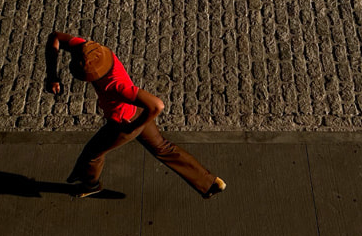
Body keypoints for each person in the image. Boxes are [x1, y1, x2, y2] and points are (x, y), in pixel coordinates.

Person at [43, 30, 226, 199]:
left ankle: (91, 186)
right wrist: (52, 75)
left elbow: (157, 105)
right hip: (137, 112)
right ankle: (208, 182)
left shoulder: (114, 86)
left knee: (93, 154)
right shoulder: (92, 50)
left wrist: (133, 127)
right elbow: (56, 37)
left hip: (123, 124)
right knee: (162, 147)